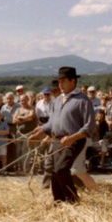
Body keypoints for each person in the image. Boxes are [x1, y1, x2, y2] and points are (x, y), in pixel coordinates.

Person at [29, 67, 95, 204]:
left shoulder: (83, 100)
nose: (60, 85)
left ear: (73, 81)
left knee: (61, 169)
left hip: (74, 141)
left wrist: (72, 138)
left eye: (63, 81)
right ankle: (58, 201)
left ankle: (73, 201)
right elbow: (52, 123)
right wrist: (40, 131)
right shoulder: (58, 100)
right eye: (59, 81)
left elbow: (89, 127)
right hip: (57, 141)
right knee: (53, 171)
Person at [13, 94, 37, 174]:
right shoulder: (18, 109)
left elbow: (31, 117)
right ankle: (20, 168)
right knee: (18, 150)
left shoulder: (31, 108)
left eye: (24, 100)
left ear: (27, 100)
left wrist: (20, 118)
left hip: (29, 133)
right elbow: (14, 120)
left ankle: (25, 168)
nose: (23, 102)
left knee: (25, 151)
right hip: (19, 133)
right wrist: (25, 119)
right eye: (21, 100)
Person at [0, 92, 20, 171]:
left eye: (10, 98)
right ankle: (8, 166)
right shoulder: (3, 107)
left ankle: (15, 165)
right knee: (7, 147)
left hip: (15, 127)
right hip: (6, 127)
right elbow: (1, 118)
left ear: (13, 98)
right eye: (7, 98)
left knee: (15, 147)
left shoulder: (18, 106)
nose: (9, 100)